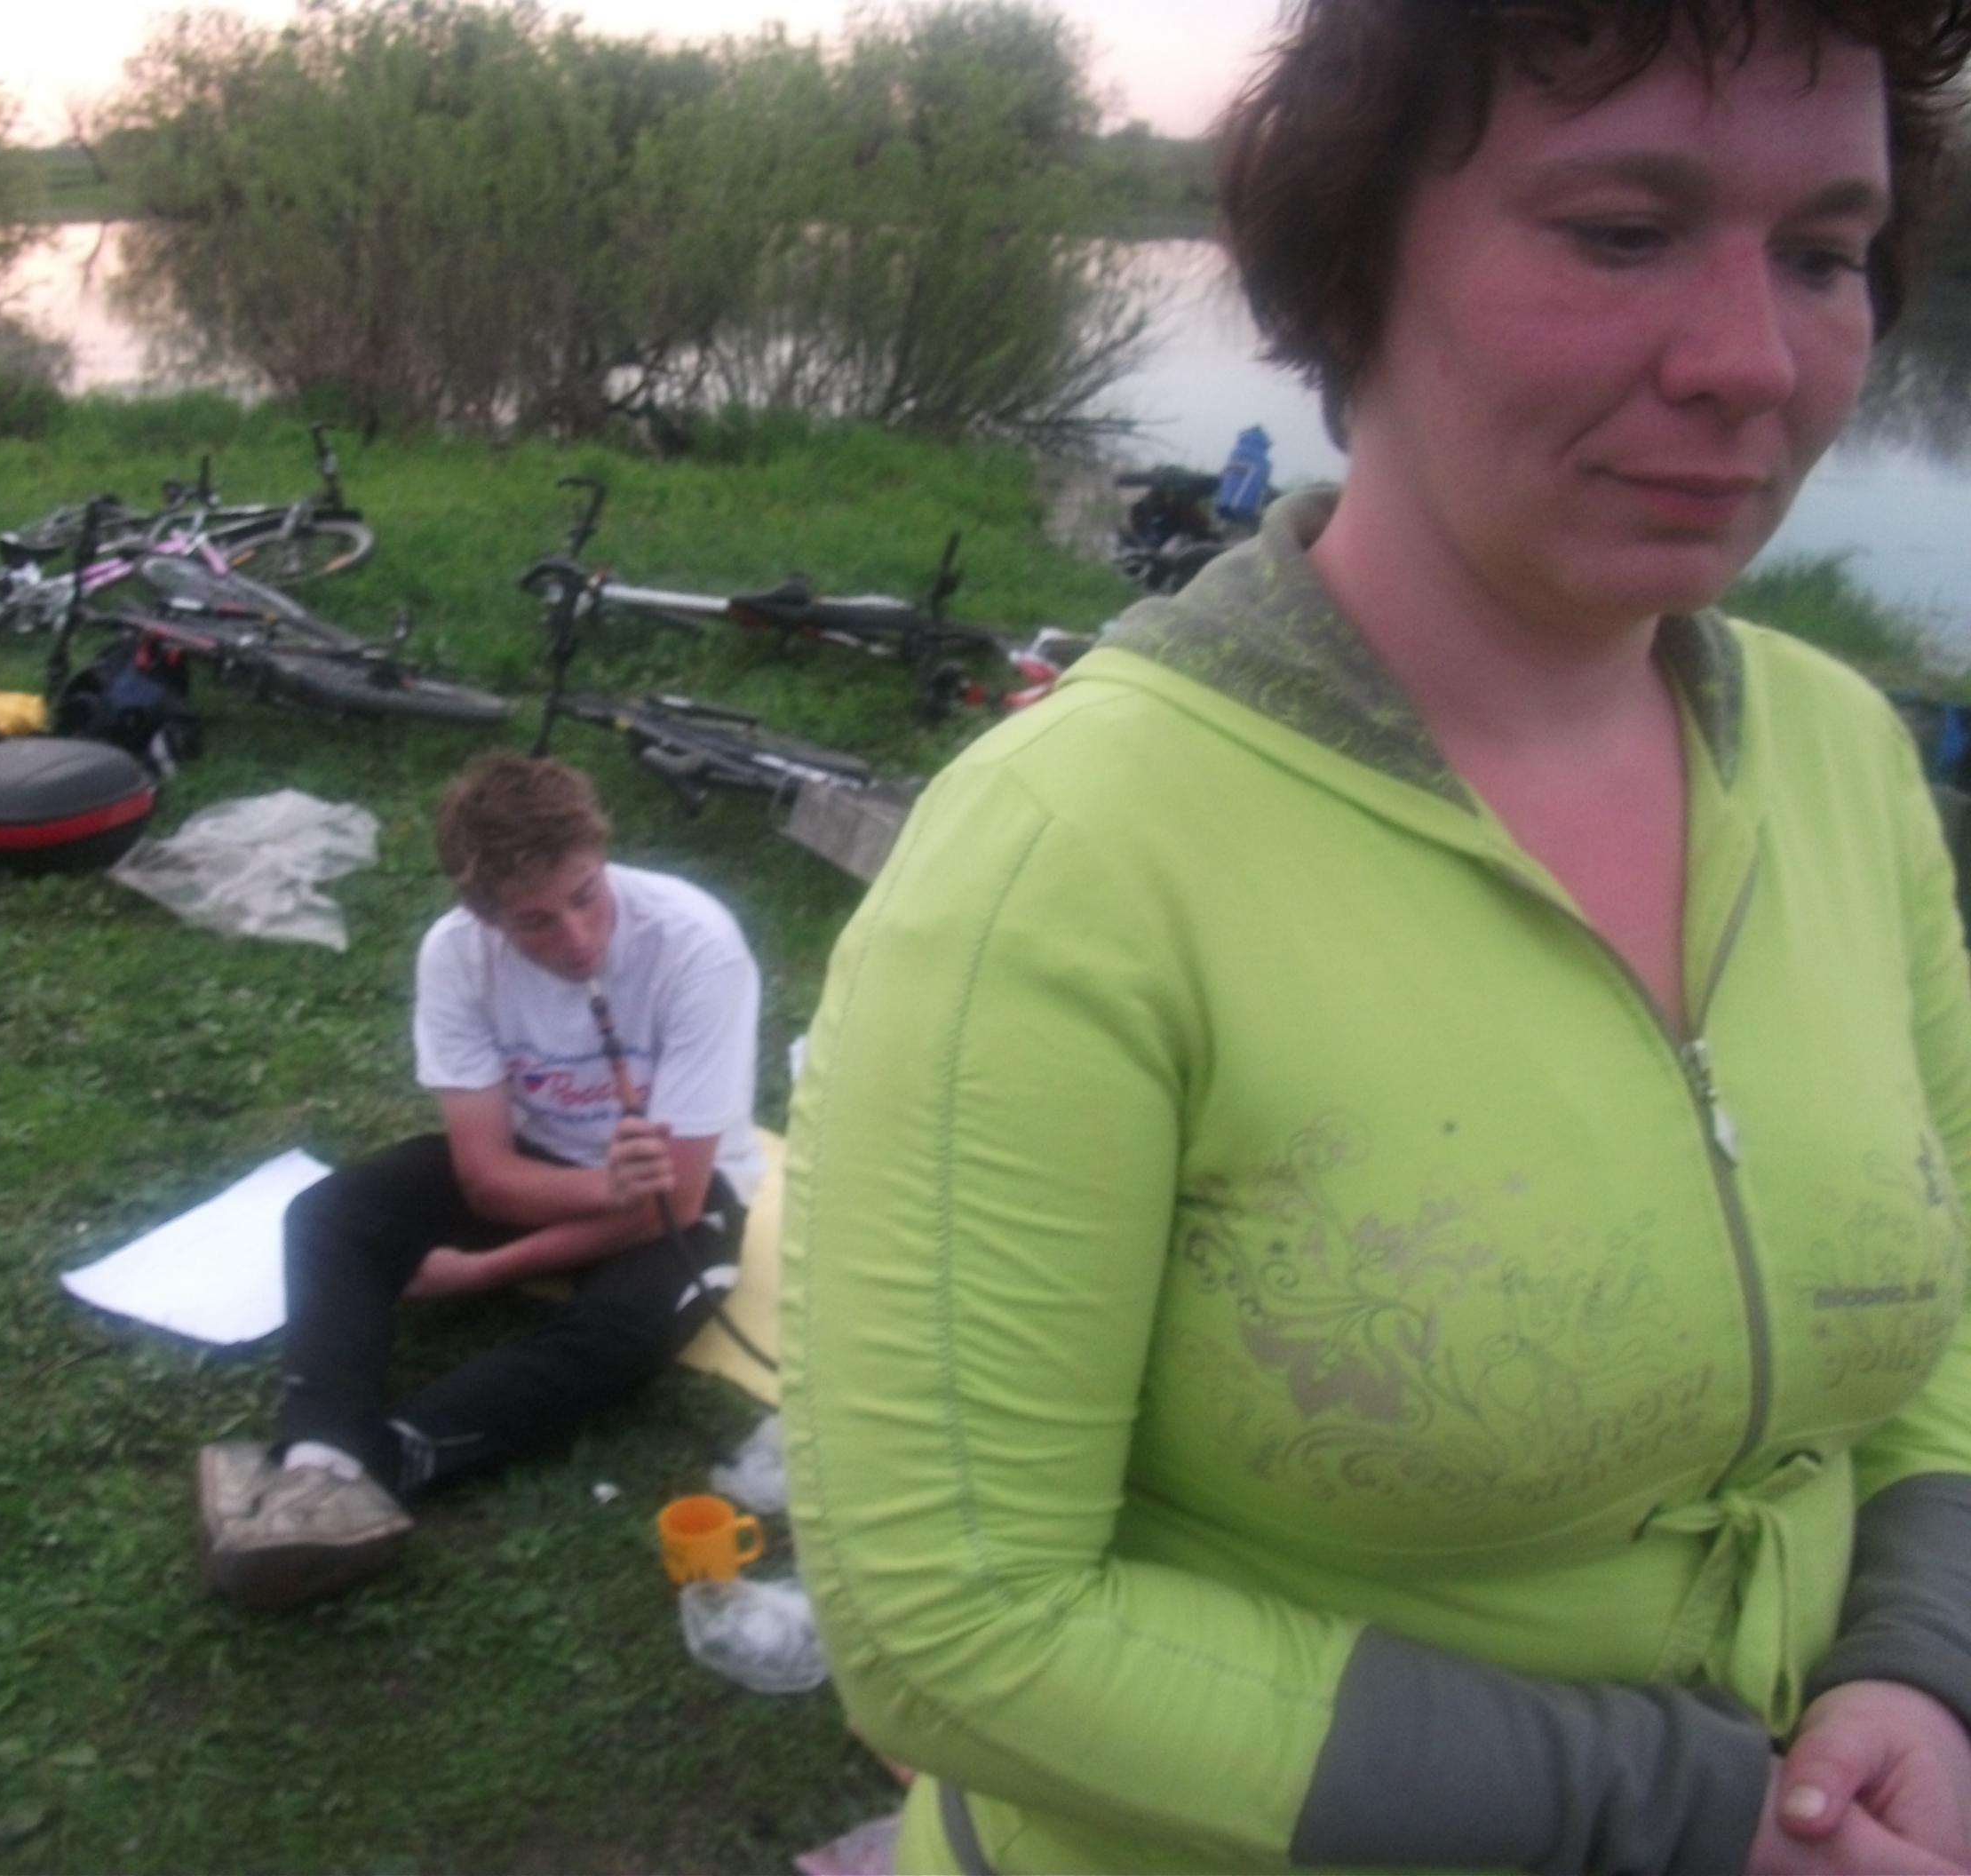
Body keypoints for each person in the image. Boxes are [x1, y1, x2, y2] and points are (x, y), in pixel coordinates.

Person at [779, 3, 1971, 1872]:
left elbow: (1943, 1308)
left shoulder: (1842, 755)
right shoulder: (1067, 859)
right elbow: (955, 1628)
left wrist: (1916, 1658)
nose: (1751, 360)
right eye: (1622, 231)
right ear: (1351, 266)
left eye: (1823, 252)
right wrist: (1690, 1814)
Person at [200, 752, 763, 1606]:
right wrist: (599, 1188)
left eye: (586, 897)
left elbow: (674, 1201)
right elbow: (488, 1179)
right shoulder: (456, 956)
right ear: (483, 916)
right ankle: (319, 1452)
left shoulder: (696, 946)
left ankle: (366, 1467)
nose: (578, 940)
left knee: (629, 1325)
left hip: (679, 1196)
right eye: (534, 923)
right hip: (552, 1169)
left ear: (601, 856)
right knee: (329, 1214)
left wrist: (486, 1271)